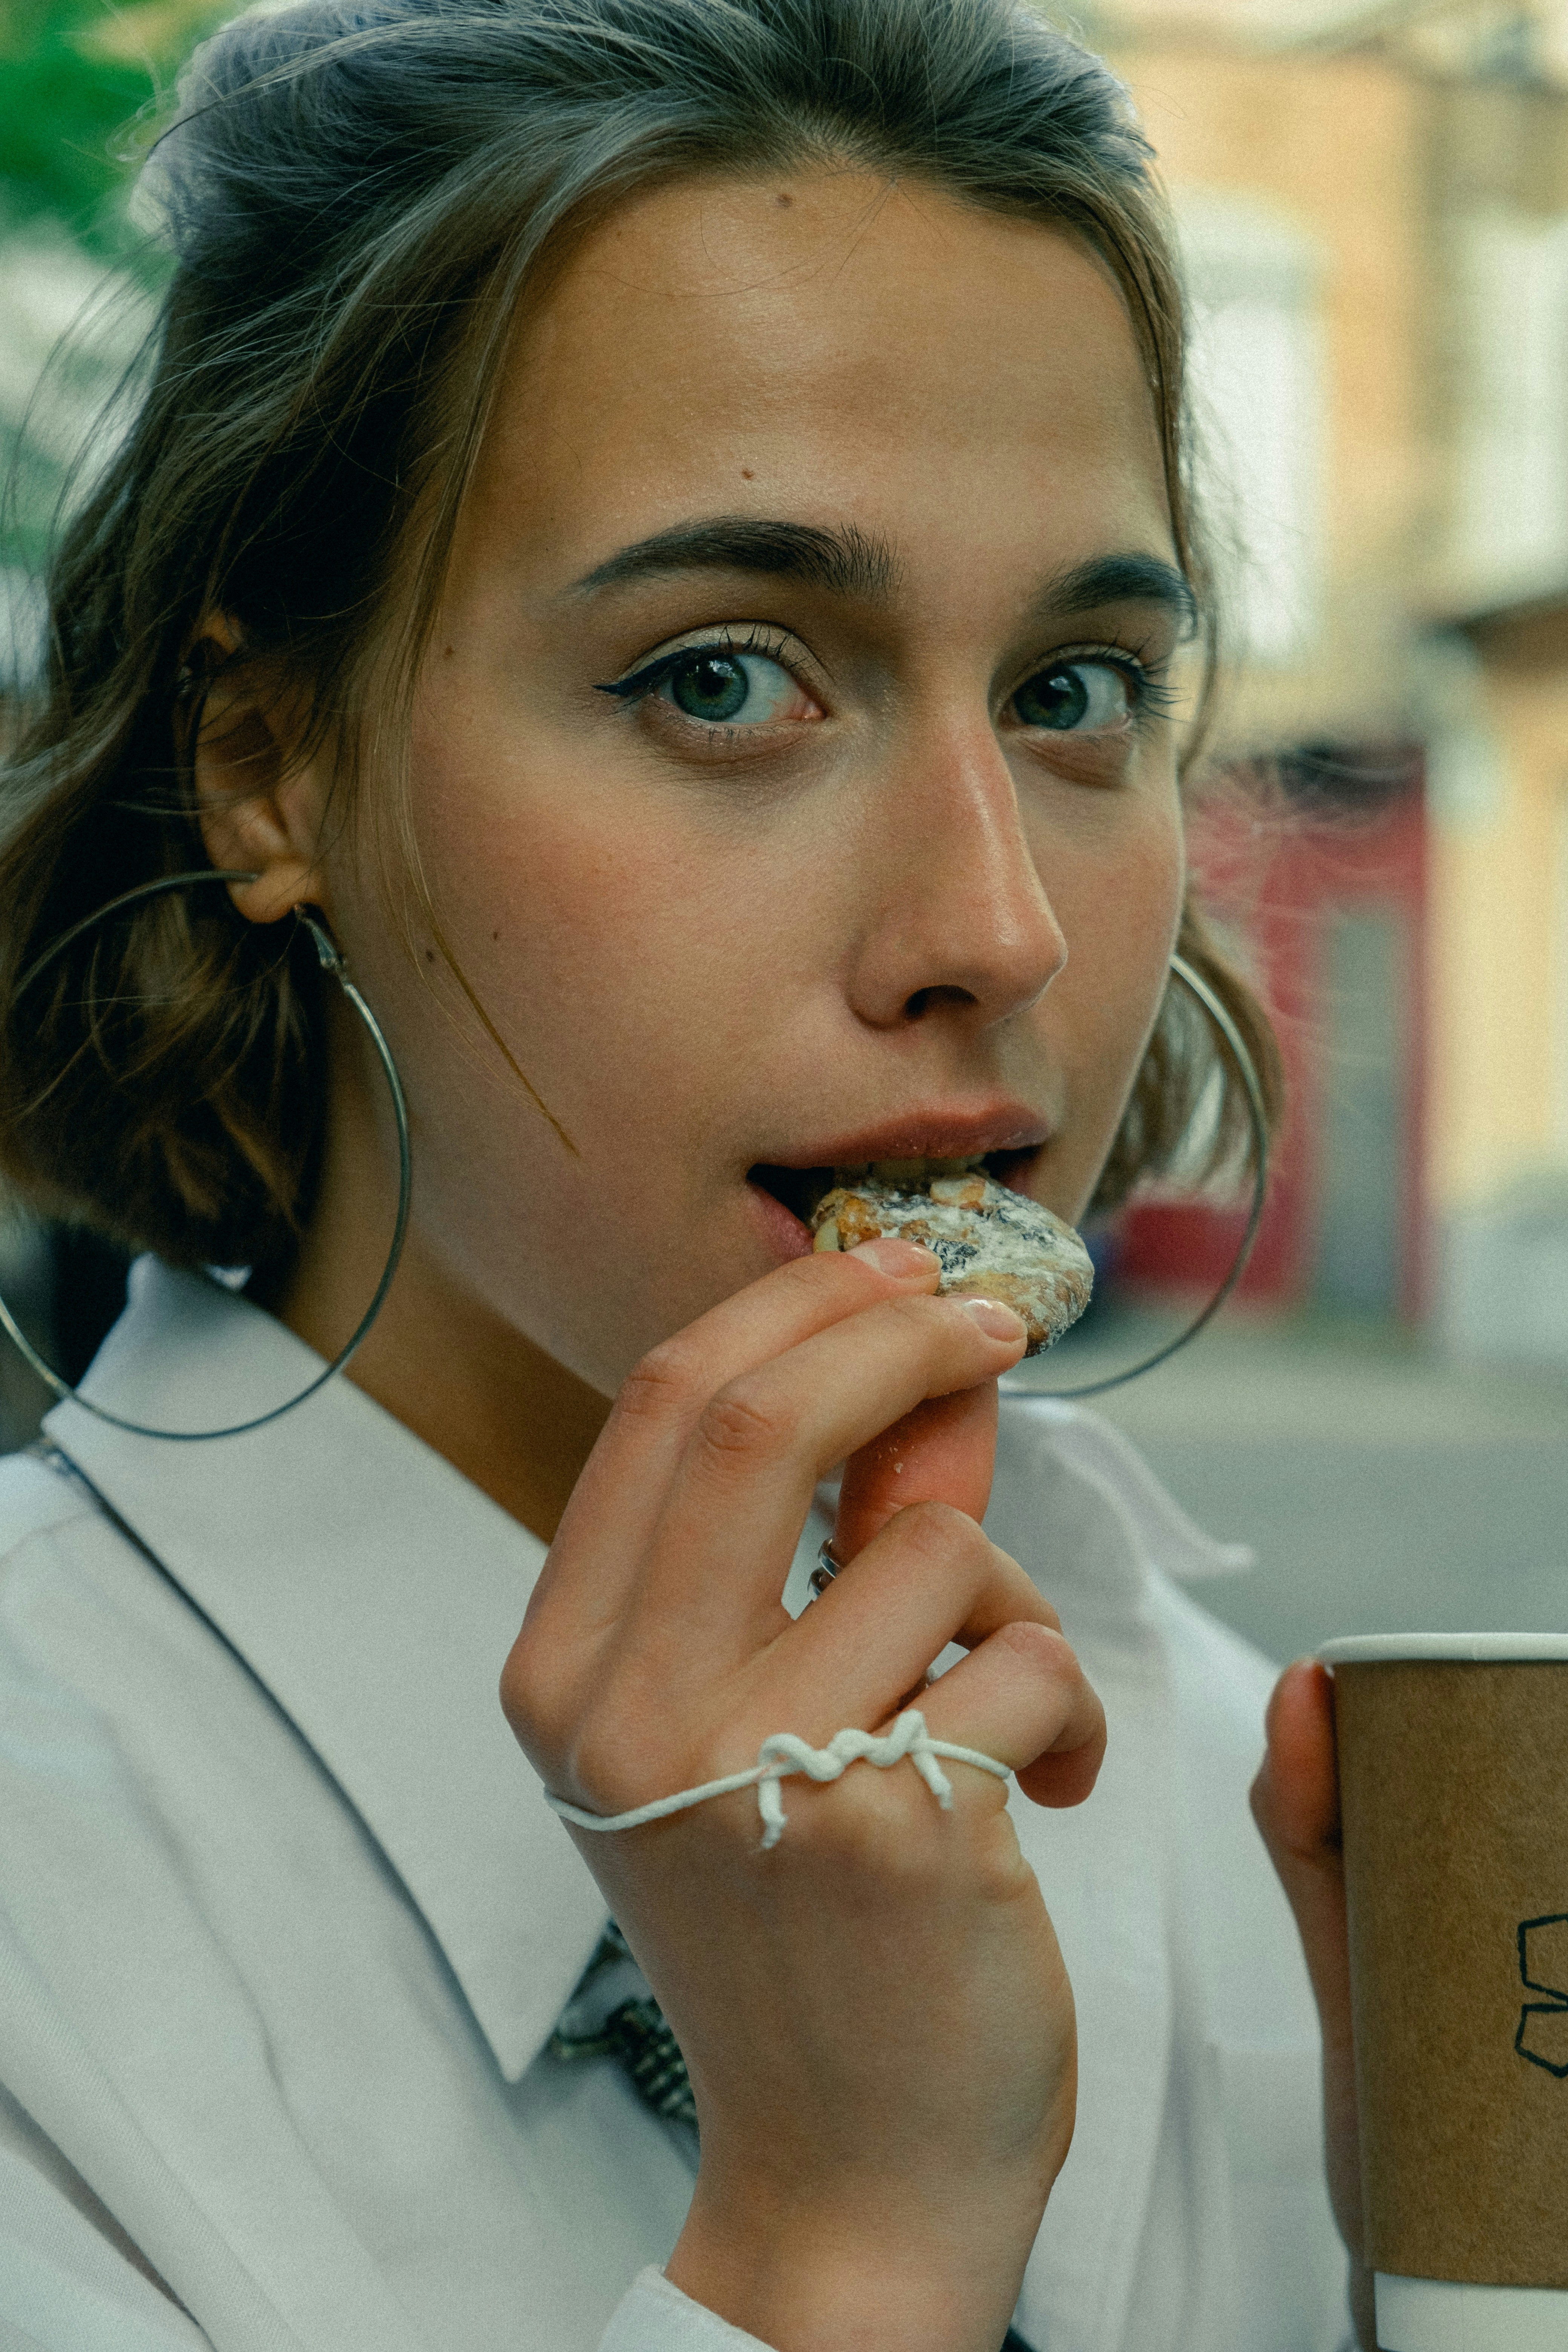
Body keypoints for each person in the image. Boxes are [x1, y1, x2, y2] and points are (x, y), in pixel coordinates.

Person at [0, 2, 1364, 2346]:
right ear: (268, 769)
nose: (995, 929)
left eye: (1073, 693)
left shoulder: (1285, 1801)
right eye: (724, 680)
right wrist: (838, 2246)